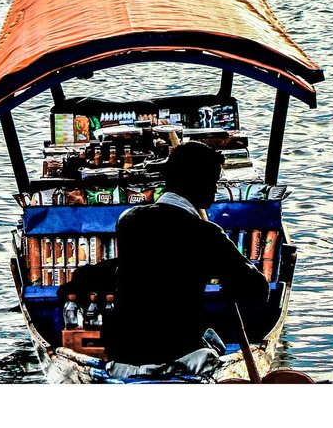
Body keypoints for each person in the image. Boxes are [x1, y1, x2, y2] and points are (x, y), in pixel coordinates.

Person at [106, 142, 269, 365]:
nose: (215, 189)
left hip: (122, 353)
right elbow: (258, 291)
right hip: (176, 355)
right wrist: (229, 274)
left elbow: (158, 263)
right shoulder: (205, 234)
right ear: (198, 182)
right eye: (213, 182)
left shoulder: (128, 220)